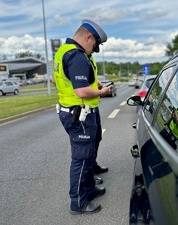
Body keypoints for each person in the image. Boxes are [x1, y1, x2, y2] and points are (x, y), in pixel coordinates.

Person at [53, 19, 112, 215]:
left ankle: (88, 190)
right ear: (88, 38)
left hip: (74, 112)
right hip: (80, 115)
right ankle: (77, 203)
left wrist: (93, 86)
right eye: (95, 45)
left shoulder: (63, 52)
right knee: (82, 159)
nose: (94, 50)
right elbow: (81, 91)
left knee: (86, 157)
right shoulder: (76, 56)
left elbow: (57, 80)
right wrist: (103, 93)